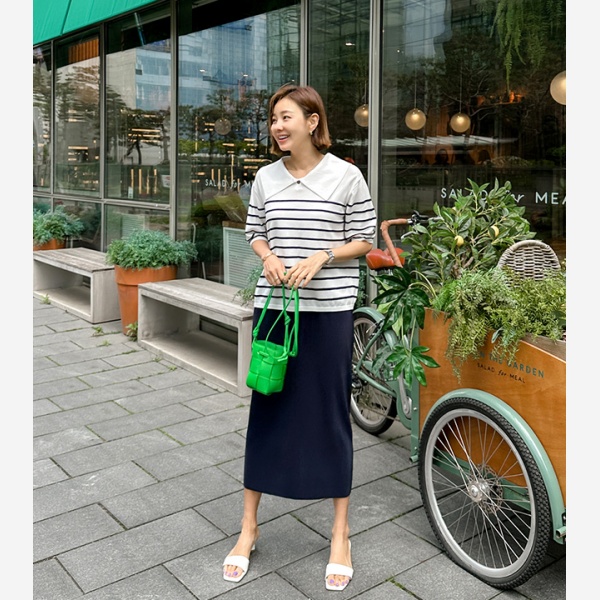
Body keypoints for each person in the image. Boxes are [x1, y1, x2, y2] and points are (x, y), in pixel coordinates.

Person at [222, 84, 376, 592]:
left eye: (285, 116)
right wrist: (267, 257)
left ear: (313, 121)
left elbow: (365, 238)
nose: (276, 126)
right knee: (266, 411)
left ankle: (340, 534)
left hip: (329, 313)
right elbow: (255, 230)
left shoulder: (347, 176)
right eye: (273, 119)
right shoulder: (266, 177)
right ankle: (248, 527)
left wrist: (323, 256)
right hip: (276, 311)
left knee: (329, 415)